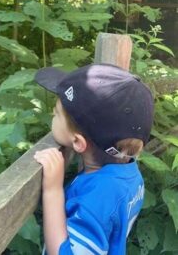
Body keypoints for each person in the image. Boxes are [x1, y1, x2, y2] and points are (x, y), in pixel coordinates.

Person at [33, 64, 154, 255]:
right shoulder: (129, 174)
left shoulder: (100, 197)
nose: (52, 116)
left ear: (77, 142)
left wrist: (52, 190)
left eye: (56, 113)